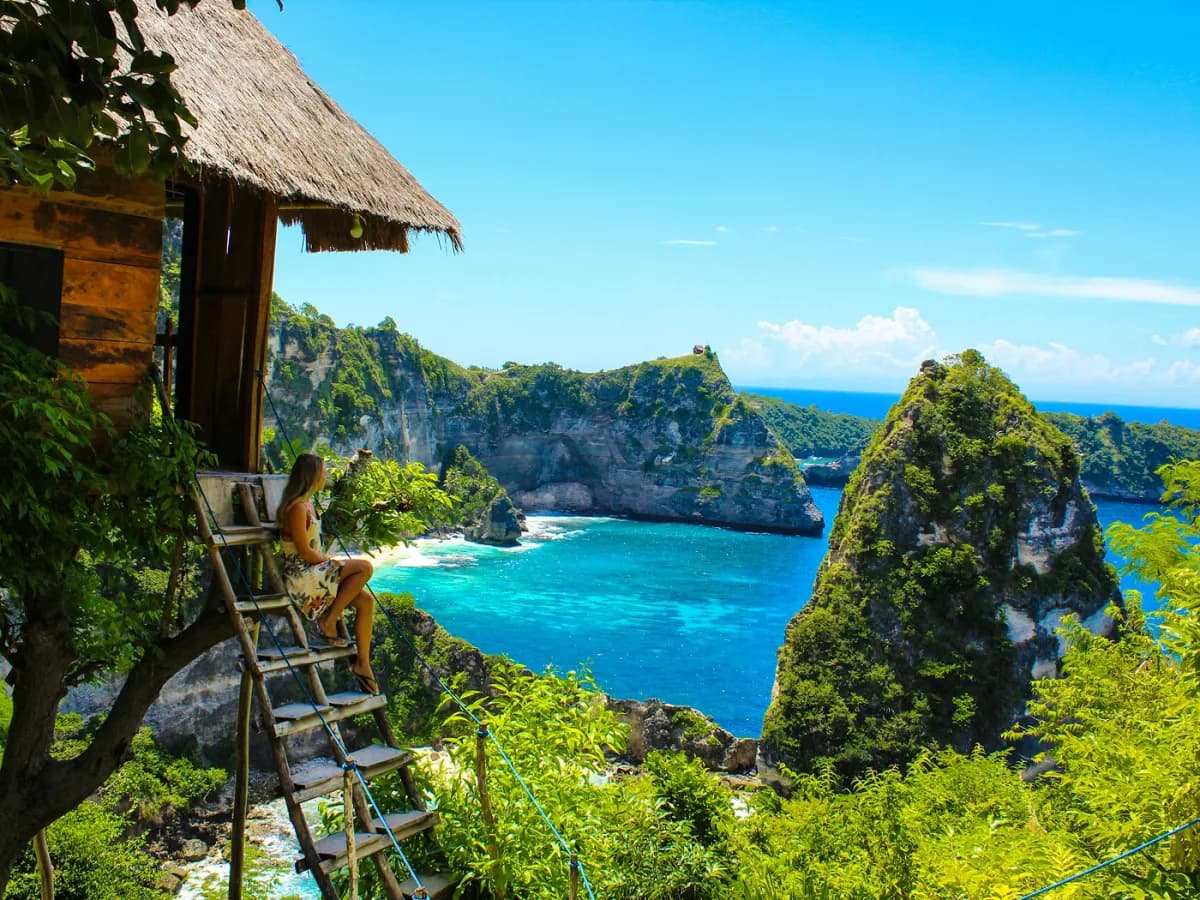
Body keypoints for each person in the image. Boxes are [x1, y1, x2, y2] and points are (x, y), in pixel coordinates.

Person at [276, 453, 378, 695]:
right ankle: (329, 619)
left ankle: (363, 664)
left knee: (365, 601)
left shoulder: (309, 504)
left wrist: (331, 564)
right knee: (365, 567)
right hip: (302, 575)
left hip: (314, 570)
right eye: (323, 471)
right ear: (312, 476)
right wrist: (331, 562)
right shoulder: (298, 508)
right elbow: (304, 552)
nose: (326, 476)